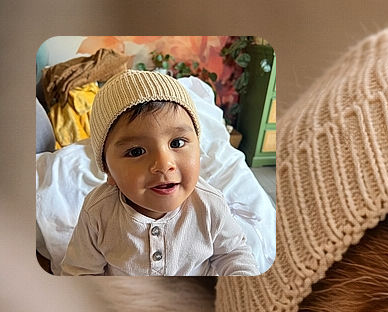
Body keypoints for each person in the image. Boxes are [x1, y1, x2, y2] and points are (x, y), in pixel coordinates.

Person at [61, 69, 258, 276]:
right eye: (136, 151)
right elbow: (80, 272)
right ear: (108, 170)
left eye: (177, 143)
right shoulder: (98, 213)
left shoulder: (209, 205)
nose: (164, 165)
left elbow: (234, 255)